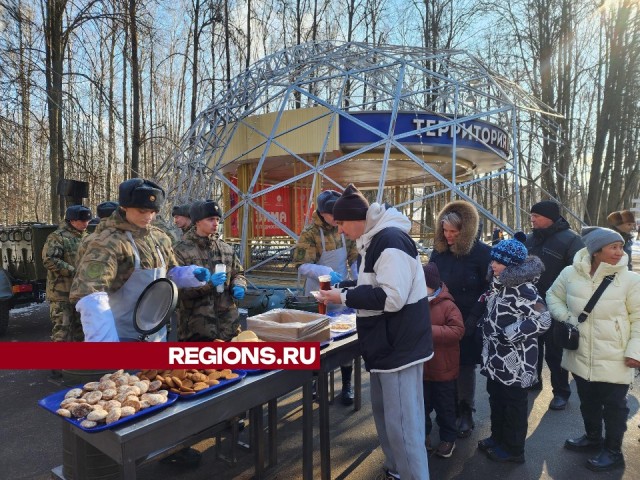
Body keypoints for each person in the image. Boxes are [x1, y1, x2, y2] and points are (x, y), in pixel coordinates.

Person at [318, 183, 433, 480]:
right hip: (387, 345)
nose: (341, 231)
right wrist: (344, 289)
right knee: (389, 419)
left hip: (399, 347)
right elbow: (374, 285)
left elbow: (392, 298)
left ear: (357, 218)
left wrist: (343, 297)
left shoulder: (390, 240)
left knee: (404, 426)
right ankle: (397, 469)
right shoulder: (374, 240)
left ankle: (412, 474)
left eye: (341, 224)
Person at [70, 179, 210, 343]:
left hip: (157, 332)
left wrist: (189, 275)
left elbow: (169, 273)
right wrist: (105, 341)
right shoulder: (108, 242)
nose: (148, 217)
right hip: (121, 333)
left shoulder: (159, 238)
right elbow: (90, 294)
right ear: (124, 207)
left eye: (153, 212)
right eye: (142, 210)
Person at [546, 227, 640, 472]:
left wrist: (635, 351)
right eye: (613, 247)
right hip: (580, 352)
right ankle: (592, 438)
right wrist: (567, 317)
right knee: (587, 400)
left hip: (616, 355)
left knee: (615, 406)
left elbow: (639, 318)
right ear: (596, 251)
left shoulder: (630, 280)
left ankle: (613, 451)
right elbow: (552, 296)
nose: (620, 252)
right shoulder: (570, 273)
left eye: (621, 247)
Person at [478, 239, 550, 463]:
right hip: (495, 360)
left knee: (514, 407)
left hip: (516, 364)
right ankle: (497, 437)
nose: (493, 265)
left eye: (499, 262)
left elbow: (544, 319)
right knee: (496, 400)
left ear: (512, 265)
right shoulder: (499, 284)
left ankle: (514, 449)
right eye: (493, 260)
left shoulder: (525, 290)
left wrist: (509, 333)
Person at [428, 200, 491, 437]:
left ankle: (466, 411)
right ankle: (447, 409)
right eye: (445, 231)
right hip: (442, 318)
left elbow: (489, 288)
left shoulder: (482, 253)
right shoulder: (439, 251)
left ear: (466, 231)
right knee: (443, 365)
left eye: (454, 232)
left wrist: (476, 318)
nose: (449, 236)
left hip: (469, 320)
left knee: (464, 366)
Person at [293, 189, 359, 405]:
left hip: (341, 291)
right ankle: (314, 382)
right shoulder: (310, 232)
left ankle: (346, 384)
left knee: (346, 339)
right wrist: (324, 271)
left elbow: (354, 256)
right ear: (322, 213)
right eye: (332, 215)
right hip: (317, 293)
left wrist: (358, 280)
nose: (336, 219)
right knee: (316, 340)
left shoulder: (344, 228)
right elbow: (301, 265)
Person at [525, 200, 584, 410]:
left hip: (556, 305)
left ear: (551, 217)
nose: (532, 219)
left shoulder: (571, 240)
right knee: (533, 347)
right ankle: (534, 380)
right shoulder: (529, 239)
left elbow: (580, 274)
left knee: (555, 351)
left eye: (536, 216)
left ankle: (561, 392)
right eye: (531, 215)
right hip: (530, 303)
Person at [173, 199, 248, 342]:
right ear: (197, 222)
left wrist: (238, 285)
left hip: (228, 327)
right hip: (197, 330)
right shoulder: (181, 251)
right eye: (210, 219)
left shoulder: (225, 249)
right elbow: (176, 291)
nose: (215, 223)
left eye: (217, 219)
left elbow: (238, 273)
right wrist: (208, 285)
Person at [422, 262, 464, 459]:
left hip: (444, 370)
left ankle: (448, 438)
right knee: (421, 406)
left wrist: (428, 331)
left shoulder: (448, 305)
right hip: (422, 369)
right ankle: (423, 436)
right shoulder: (415, 302)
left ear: (431, 284)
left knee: (445, 407)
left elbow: (457, 331)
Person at [43, 205, 92, 342]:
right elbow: (49, 259)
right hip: (61, 294)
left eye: (87, 221)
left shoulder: (88, 238)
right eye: (82, 221)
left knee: (82, 332)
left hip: (81, 293)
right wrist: (73, 271)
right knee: (62, 333)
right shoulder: (57, 237)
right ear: (72, 220)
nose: (85, 224)